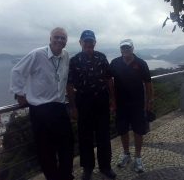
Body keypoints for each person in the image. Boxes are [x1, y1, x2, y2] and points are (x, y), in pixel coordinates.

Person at [10, 27, 74, 180]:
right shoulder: (37, 54)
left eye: (63, 38)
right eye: (56, 37)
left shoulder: (66, 56)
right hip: (40, 110)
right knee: (46, 150)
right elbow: (17, 71)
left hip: (59, 106)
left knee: (67, 145)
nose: (59, 40)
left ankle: (65, 176)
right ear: (50, 39)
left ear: (66, 41)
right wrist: (19, 94)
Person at [67, 30, 117, 180]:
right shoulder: (74, 60)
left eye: (91, 41)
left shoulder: (101, 57)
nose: (88, 44)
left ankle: (105, 167)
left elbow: (109, 80)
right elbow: (69, 85)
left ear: (95, 42)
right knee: (85, 137)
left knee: (103, 135)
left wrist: (113, 100)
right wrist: (73, 107)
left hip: (101, 101)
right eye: (85, 41)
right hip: (83, 102)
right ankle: (87, 168)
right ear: (80, 43)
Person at [110, 39, 154, 173]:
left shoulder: (141, 63)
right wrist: (112, 101)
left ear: (132, 48)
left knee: (138, 131)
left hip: (137, 104)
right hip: (121, 105)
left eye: (128, 48)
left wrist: (149, 101)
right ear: (120, 50)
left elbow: (148, 83)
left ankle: (138, 157)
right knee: (122, 131)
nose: (125, 50)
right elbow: (108, 81)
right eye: (123, 48)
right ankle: (126, 154)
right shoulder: (115, 63)